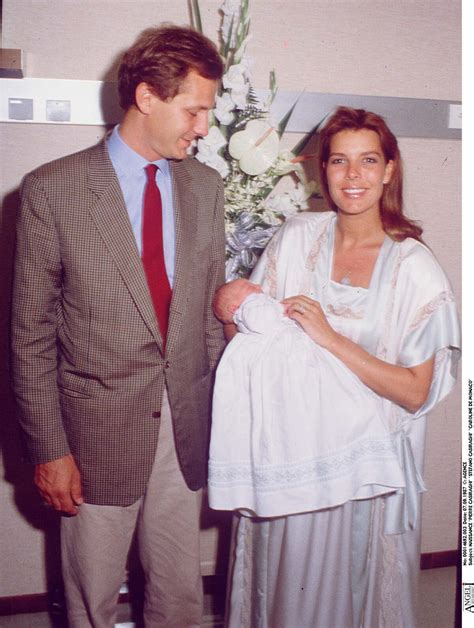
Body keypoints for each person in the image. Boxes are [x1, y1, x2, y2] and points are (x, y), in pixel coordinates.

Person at [11, 25, 225, 627]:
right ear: (147, 97)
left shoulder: (206, 188)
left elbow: (207, 318)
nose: (203, 126)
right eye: (195, 109)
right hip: (93, 434)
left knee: (181, 598)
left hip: (182, 431)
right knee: (91, 600)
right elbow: (29, 337)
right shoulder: (54, 189)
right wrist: (50, 450)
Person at [224, 107, 460, 628]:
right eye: (339, 162)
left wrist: (328, 338)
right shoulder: (296, 238)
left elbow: (416, 393)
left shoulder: (414, 268)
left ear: (390, 170)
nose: (353, 177)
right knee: (280, 589)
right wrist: (235, 310)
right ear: (322, 170)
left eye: (368, 161)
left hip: (364, 474)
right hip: (289, 455)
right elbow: (240, 333)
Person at [208, 278, 405, 517]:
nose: (258, 289)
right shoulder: (251, 309)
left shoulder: (251, 306)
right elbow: (263, 319)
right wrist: (283, 308)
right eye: (249, 288)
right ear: (234, 308)